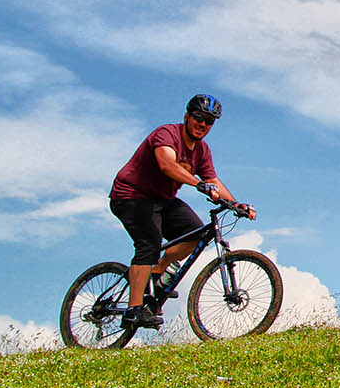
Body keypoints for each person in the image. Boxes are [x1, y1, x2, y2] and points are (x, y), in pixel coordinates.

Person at [108, 93, 254, 331]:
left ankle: (158, 270)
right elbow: (167, 164)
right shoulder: (166, 134)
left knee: (196, 234)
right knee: (149, 244)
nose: (202, 124)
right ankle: (134, 310)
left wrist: (237, 205)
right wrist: (198, 185)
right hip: (131, 196)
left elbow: (212, 179)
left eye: (209, 121)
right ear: (187, 116)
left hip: (162, 199)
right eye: (198, 117)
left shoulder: (202, 150)